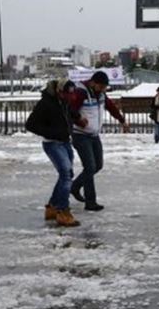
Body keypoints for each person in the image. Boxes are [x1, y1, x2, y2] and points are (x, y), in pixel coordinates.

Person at [67, 71, 130, 211]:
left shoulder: (100, 94)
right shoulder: (81, 92)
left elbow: (111, 107)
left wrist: (122, 120)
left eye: (104, 88)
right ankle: (90, 202)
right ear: (93, 82)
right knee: (89, 167)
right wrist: (79, 120)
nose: (103, 90)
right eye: (101, 87)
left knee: (98, 165)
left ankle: (74, 186)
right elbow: (69, 110)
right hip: (80, 135)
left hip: (94, 135)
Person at [25, 78, 81, 227]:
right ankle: (62, 211)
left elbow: (68, 112)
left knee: (67, 174)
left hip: (65, 142)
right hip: (52, 143)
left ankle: (52, 207)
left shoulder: (64, 102)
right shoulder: (45, 103)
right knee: (66, 174)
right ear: (58, 91)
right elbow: (30, 124)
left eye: (71, 95)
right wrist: (52, 133)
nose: (69, 98)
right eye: (66, 95)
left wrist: (78, 118)